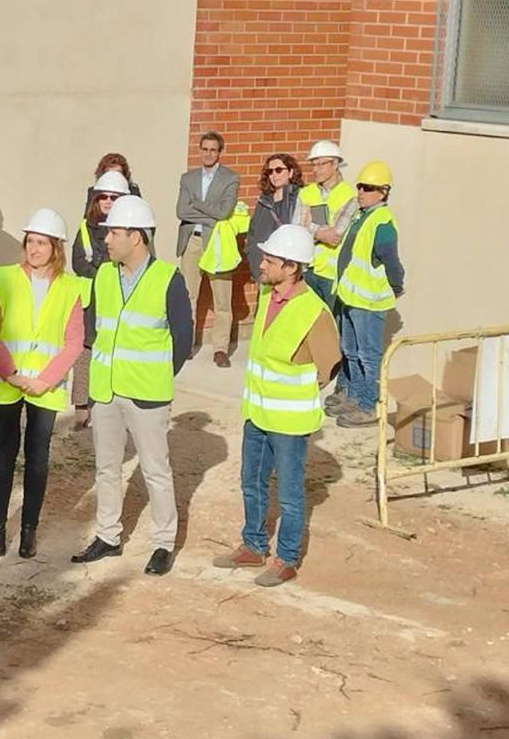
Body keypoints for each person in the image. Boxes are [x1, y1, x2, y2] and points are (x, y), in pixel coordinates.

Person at [213, 225, 341, 586]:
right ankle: (253, 546)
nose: (262, 264)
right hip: (257, 414)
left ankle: (286, 558)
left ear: (292, 267)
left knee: (289, 493)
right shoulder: (268, 296)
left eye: (270, 259)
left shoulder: (313, 311)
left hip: (288, 421)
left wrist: (298, 392)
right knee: (250, 481)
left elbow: (329, 364)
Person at [72, 195, 193, 575]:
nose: (106, 239)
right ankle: (108, 535)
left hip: (146, 394)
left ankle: (162, 543)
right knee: (106, 468)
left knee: (156, 470)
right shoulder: (104, 275)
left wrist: (156, 374)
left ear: (136, 237)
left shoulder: (168, 278)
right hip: (106, 389)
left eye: (114, 233)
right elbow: (93, 329)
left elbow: (183, 339)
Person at [0, 208, 86, 558]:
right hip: (7, 380)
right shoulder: (6, 278)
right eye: (30, 241)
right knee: (4, 454)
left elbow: (74, 342)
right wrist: (10, 372)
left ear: (56, 248)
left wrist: (44, 380)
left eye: (42, 243)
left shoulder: (71, 287)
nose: (34, 249)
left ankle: (28, 530)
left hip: (45, 386)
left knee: (38, 457)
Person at [330, 161, 405, 429]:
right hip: (351, 297)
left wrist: (397, 286)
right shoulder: (362, 215)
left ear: (383, 192)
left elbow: (392, 263)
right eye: (360, 186)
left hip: (368, 301)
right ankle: (352, 395)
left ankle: (368, 405)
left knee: (368, 354)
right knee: (350, 350)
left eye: (368, 188)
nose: (361, 192)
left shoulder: (382, 223)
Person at [70, 170, 130, 431]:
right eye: (103, 196)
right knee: (85, 352)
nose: (107, 201)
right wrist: (101, 272)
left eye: (114, 197)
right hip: (90, 301)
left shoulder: (130, 229)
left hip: (117, 300)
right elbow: (78, 262)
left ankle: (109, 401)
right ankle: (81, 407)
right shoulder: (86, 228)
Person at [175, 131, 240, 367]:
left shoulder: (231, 178)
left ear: (220, 152)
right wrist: (210, 215)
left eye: (213, 149)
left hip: (217, 242)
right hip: (192, 239)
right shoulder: (188, 178)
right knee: (188, 296)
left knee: (222, 297)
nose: (208, 153)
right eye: (205, 149)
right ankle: (187, 344)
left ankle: (220, 348)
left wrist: (199, 207)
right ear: (199, 150)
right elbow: (182, 211)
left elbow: (225, 212)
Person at [293, 140, 357, 308]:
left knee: (332, 324)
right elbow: (296, 230)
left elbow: (335, 235)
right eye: (313, 165)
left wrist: (310, 226)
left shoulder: (349, 195)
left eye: (321, 164)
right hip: (307, 268)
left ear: (335, 164)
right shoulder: (306, 193)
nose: (315, 170)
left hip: (332, 274)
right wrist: (321, 232)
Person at [245, 153, 304, 282]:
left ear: (290, 172)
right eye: (270, 172)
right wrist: (253, 260)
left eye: (278, 170)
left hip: (285, 270)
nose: (274, 175)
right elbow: (253, 233)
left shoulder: (300, 198)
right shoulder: (264, 200)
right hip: (262, 268)